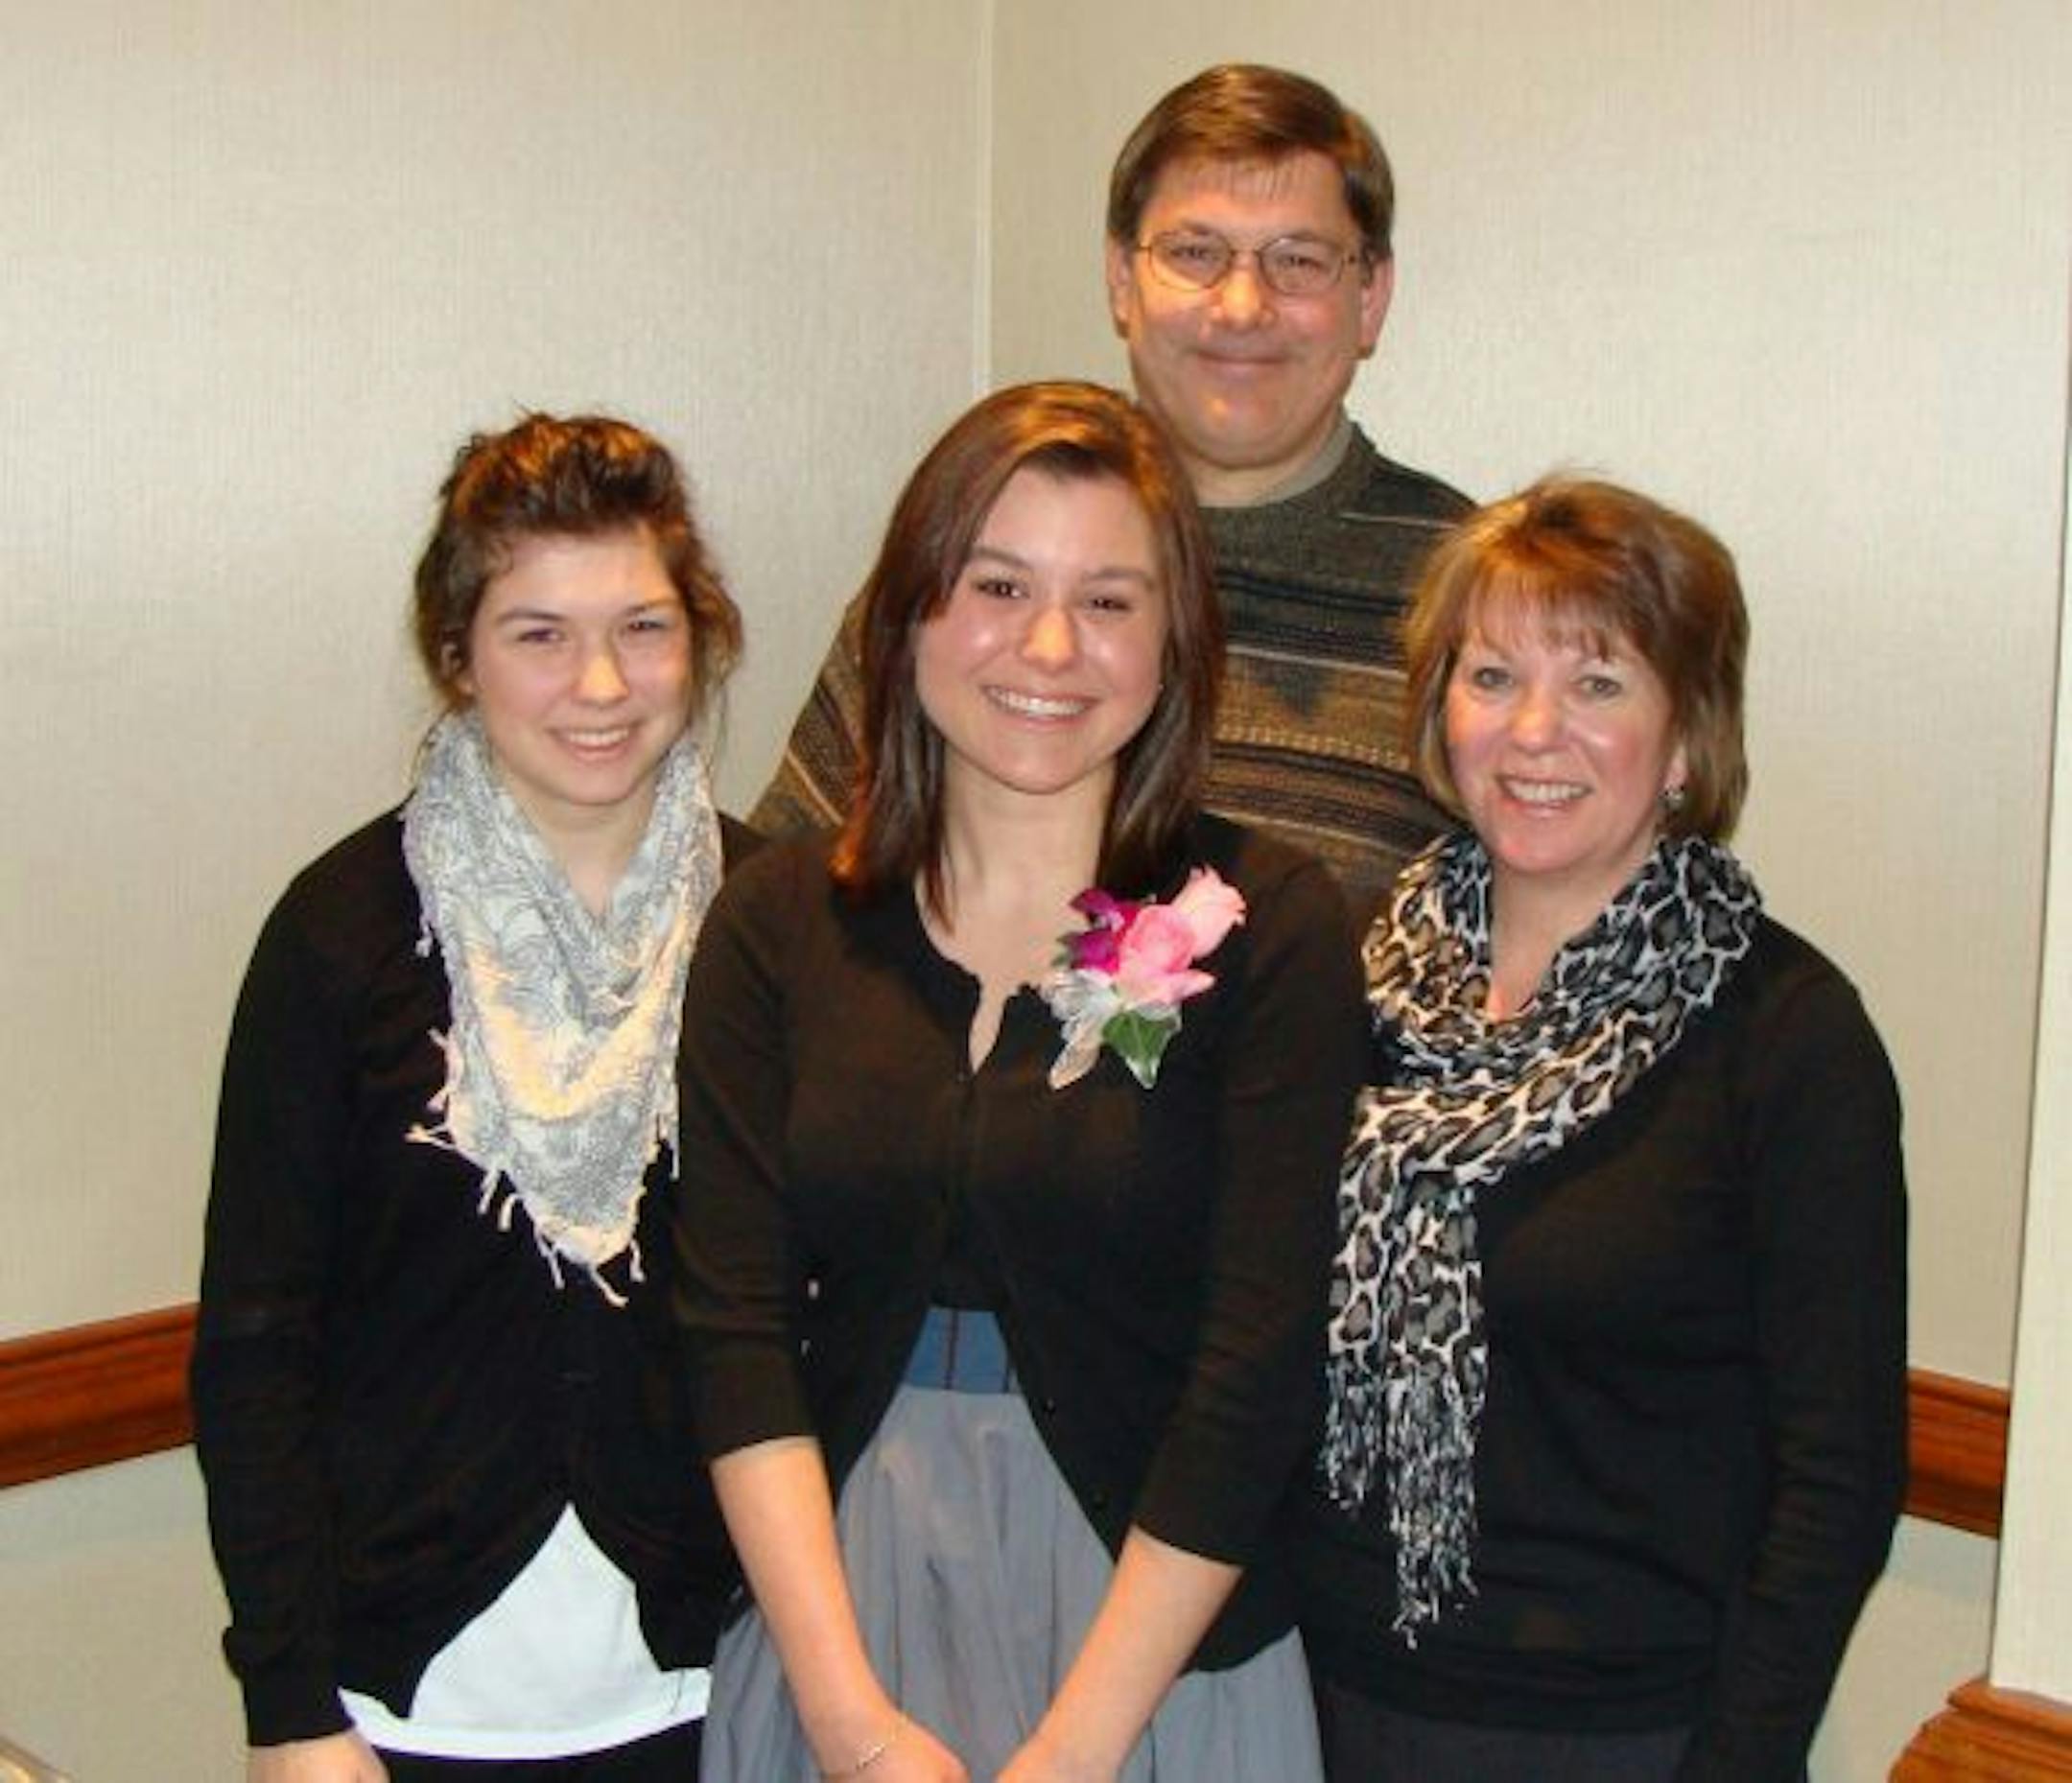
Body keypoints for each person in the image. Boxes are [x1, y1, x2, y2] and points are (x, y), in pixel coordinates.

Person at [673, 381, 1366, 1783]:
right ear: (911, 609)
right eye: (998, 583)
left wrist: (1074, 1748)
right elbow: (731, 1323)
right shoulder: (775, 920)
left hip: (1151, 1630)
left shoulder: (1272, 924)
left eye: (1110, 601)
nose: (1050, 646)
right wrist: (854, 1729)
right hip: (837, 1615)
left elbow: (1257, 1365)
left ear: (1175, 644)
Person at [1292, 479, 1908, 1783]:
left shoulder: (1786, 1036)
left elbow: (1838, 1475)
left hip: (1621, 1732)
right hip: (1314, 1695)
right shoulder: (1341, 980)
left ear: (1687, 735)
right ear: (1437, 707)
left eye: (1599, 685)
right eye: (1493, 672)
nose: (1532, 731)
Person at [190, 413, 752, 1781]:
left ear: (702, 639)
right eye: (538, 632)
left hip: (710, 1680)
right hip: (405, 1704)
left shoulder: (772, 926)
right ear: (458, 657)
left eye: (643, 626)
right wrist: (288, 1705)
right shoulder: (342, 936)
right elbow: (258, 1344)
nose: (601, 682)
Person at [753, 63, 1469, 921]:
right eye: (1195, 253)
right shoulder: (977, 542)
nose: (1242, 306)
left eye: (1299, 261)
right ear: (1122, 280)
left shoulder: (1472, 601)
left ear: (1371, 296)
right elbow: (787, 889)